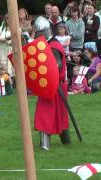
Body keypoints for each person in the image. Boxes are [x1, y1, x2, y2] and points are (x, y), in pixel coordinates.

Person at [33, 16, 71, 151]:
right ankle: (66, 140)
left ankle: (45, 145)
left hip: (53, 85)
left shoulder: (53, 46)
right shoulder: (48, 44)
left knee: (45, 113)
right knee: (58, 114)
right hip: (51, 85)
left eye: (38, 33)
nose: (36, 36)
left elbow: (57, 66)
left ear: (43, 33)